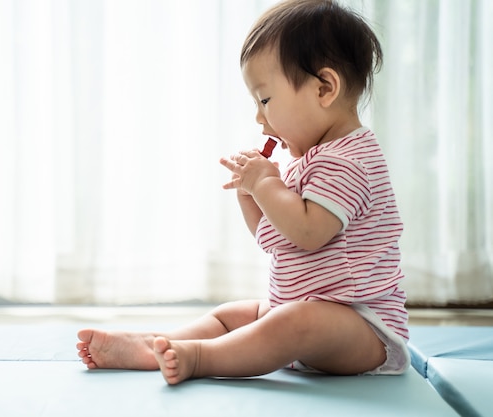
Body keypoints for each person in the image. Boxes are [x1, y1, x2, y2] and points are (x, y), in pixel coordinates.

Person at [77, 0, 410, 385]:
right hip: (302, 316)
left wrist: (266, 184)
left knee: (296, 320)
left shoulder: (348, 161)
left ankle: (200, 357)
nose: (259, 117)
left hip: (364, 328)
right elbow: (278, 239)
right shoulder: (312, 160)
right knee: (234, 315)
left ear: (325, 88)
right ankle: (153, 344)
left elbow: (308, 233)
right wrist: (251, 196)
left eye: (265, 100)